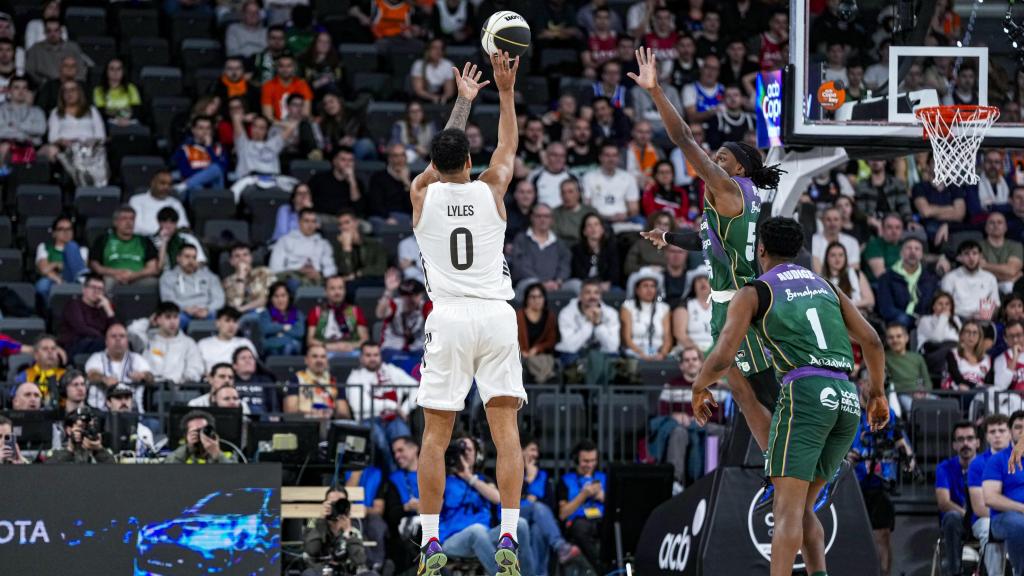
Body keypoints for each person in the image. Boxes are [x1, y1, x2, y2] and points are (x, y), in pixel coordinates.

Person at [690, 217, 889, 576]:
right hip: (845, 398)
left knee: (784, 513)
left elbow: (722, 355)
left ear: (760, 249)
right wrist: (877, 394)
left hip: (806, 395)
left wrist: (698, 385)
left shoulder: (755, 291)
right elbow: (873, 340)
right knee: (801, 512)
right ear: (798, 251)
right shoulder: (827, 285)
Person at [632, 48, 786, 478]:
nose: (714, 159)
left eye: (722, 155)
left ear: (741, 165)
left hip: (740, 303)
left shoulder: (728, 187)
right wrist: (668, 237)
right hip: (729, 301)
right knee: (741, 392)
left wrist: (657, 91)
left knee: (767, 392)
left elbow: (682, 138)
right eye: (714, 155)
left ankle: (815, 462)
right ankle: (778, 467)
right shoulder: (737, 200)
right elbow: (711, 242)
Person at [408, 55, 528, 574]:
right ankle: (508, 534)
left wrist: (462, 99)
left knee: (435, 437)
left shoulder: (422, 194)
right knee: (506, 434)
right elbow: (509, 147)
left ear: (434, 164)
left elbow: (443, 154)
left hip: (450, 316)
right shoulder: (491, 189)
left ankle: (430, 541)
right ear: (470, 160)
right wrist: (503, 91)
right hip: (497, 316)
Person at [439, 435, 534, 575]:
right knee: (476, 530)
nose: (464, 453)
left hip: (484, 538)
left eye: (468, 449)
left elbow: (498, 498)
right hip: (453, 540)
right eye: (460, 449)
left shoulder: (483, 481)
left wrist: (469, 477)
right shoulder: (443, 480)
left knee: (520, 524)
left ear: (477, 456)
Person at [346, 342, 417, 473]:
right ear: (361, 358)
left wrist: (405, 409)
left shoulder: (392, 370)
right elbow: (360, 406)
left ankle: (412, 478)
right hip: (369, 420)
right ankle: (393, 478)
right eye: (368, 355)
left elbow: (417, 388)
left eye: (376, 355)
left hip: (394, 418)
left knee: (403, 439)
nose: (372, 358)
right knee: (381, 441)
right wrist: (394, 406)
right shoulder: (355, 377)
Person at [521, 436, 582, 575]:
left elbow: (550, 505)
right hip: (514, 515)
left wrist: (532, 497)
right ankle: (560, 546)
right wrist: (528, 480)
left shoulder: (542, 475)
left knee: (538, 530)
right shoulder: (511, 470)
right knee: (537, 507)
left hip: (537, 519)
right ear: (521, 450)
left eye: (536, 451)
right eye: (532, 450)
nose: (535, 454)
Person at [968, 414, 1011, 576]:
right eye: (992, 431)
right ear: (986, 436)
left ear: (1010, 433)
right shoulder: (978, 464)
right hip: (984, 519)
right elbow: (979, 508)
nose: (997, 435)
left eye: (1001, 430)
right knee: (989, 527)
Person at [935, 421, 979, 576]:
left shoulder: (987, 465)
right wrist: (967, 515)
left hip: (982, 520)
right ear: (954, 445)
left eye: (970, 438)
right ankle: (953, 573)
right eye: (960, 439)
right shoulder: (944, 468)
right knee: (952, 517)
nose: (965, 443)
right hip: (957, 523)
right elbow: (943, 502)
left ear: (977, 442)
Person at [983, 410, 1024, 575]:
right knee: (1018, 524)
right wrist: (1021, 508)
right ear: (1010, 431)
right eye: (1018, 427)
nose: (1022, 432)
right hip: (1003, 519)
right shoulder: (998, 460)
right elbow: (990, 498)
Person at [126, 302, 205, 386]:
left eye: (175, 317)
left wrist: (182, 381)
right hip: (149, 388)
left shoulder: (188, 342)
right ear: (158, 319)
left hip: (178, 389)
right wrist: (149, 321)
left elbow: (196, 368)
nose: (172, 322)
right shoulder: (147, 339)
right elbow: (132, 331)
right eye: (168, 317)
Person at [557, 439, 606, 571]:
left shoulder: (604, 478)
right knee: (580, 528)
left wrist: (603, 497)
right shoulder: (566, 480)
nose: (590, 465)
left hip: (602, 520)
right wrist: (583, 495)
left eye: (593, 460)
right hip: (579, 522)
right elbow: (563, 514)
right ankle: (603, 569)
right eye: (585, 461)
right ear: (576, 459)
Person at [84, 322, 153, 412]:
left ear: (127, 341)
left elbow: (151, 378)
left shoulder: (137, 359)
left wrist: (143, 376)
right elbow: (91, 375)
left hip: (133, 413)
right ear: (106, 341)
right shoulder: (96, 358)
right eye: (113, 336)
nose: (118, 339)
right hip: (101, 413)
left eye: (122, 336)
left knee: (153, 424)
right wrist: (104, 379)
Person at [876, 234, 939, 330]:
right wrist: (912, 319)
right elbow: (886, 308)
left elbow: (934, 304)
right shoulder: (887, 277)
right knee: (902, 320)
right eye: (909, 248)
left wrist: (923, 318)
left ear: (922, 254)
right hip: (899, 320)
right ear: (901, 253)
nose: (913, 252)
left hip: (925, 320)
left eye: (917, 249)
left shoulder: (930, 278)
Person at [555, 278, 621, 364]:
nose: (592, 296)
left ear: (600, 296)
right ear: (580, 295)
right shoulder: (567, 313)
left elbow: (612, 347)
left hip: (600, 353)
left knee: (614, 358)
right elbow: (569, 347)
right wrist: (588, 323)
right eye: (588, 292)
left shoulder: (611, 313)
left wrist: (598, 323)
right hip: (576, 353)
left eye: (596, 293)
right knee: (569, 358)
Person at [159, 245, 225, 330]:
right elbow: (168, 300)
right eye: (187, 256)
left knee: (222, 320)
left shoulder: (210, 276)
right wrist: (185, 308)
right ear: (178, 258)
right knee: (173, 319)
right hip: (181, 312)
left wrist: (207, 309)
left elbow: (219, 299)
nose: (191, 261)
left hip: (207, 312)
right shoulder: (168, 277)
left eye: (194, 257)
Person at [510, 203, 572, 291]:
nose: (542, 219)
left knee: (576, 285)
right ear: (532, 218)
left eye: (546, 216)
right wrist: (541, 283)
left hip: (555, 285)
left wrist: (558, 281)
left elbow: (565, 265)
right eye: (538, 216)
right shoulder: (521, 239)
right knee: (530, 285)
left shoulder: (559, 243)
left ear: (552, 220)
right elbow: (520, 267)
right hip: (529, 285)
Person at [269, 208, 337, 288]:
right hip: (292, 278)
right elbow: (275, 268)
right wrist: (298, 271)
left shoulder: (323, 244)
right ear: (299, 222)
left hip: (317, 280)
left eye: (313, 221)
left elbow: (331, 269)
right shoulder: (285, 241)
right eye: (306, 221)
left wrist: (319, 274)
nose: (310, 225)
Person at [306, 275, 369, 358]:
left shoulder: (355, 311)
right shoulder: (317, 312)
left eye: (340, 288)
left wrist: (351, 346)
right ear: (326, 291)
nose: (337, 292)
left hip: (351, 351)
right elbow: (310, 341)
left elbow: (365, 339)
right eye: (332, 288)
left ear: (345, 291)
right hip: (324, 352)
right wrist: (330, 346)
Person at [376, 270, 431, 362]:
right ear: (401, 296)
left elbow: (437, 320)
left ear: (421, 295)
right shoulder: (394, 305)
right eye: (406, 295)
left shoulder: (425, 307)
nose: (410, 299)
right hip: (392, 349)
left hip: (418, 351)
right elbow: (380, 314)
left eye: (414, 295)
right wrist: (388, 291)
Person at [284, 343, 351, 418]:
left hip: (329, 425)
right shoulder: (296, 379)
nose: (319, 360)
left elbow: (344, 413)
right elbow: (290, 411)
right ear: (306, 360)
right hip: (304, 424)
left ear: (327, 360)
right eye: (314, 356)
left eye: (323, 357)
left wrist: (331, 414)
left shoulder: (335, 381)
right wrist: (312, 415)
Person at [941, 239, 1001, 322]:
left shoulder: (990, 278)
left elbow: (995, 304)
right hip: (957, 318)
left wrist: (983, 316)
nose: (971, 257)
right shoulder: (950, 278)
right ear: (959, 258)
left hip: (982, 319)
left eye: (974, 253)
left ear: (980, 256)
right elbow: (944, 305)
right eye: (966, 254)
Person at [581, 143, 640, 223]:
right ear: (600, 157)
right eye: (607, 155)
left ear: (618, 158)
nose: (611, 159)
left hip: (624, 219)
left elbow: (634, 208)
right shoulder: (589, 177)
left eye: (614, 155)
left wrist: (625, 215)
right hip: (598, 220)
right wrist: (607, 217)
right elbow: (586, 207)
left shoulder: (628, 178)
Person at [59, 273, 116, 356]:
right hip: (76, 345)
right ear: (84, 289)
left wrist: (108, 310)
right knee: (112, 343)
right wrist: (106, 338)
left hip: (98, 344)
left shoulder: (103, 309)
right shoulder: (74, 305)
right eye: (93, 287)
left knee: (122, 341)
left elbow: (115, 330)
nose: (96, 291)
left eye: (100, 289)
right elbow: (81, 328)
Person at [33, 214, 87, 301]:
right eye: (61, 229)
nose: (66, 232)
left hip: (73, 279)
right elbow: (44, 270)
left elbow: (80, 270)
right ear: (54, 233)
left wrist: (54, 266)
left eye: (69, 229)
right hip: (52, 279)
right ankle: (50, 310)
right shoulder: (44, 247)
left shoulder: (81, 249)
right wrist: (57, 266)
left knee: (71, 246)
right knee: (42, 285)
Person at [0, 75, 46, 174]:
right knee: (5, 147)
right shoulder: (1, 110)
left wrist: (15, 126)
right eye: (16, 87)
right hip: (7, 145)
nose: (20, 91)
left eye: (24, 88)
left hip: (31, 147)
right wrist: (26, 133)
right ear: (9, 91)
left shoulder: (37, 111)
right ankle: (3, 182)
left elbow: (41, 129)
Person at [621, 270, 672, 360]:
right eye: (645, 286)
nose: (649, 290)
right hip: (635, 353)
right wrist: (641, 354)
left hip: (658, 353)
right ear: (637, 290)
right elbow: (626, 338)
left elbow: (667, 338)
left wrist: (662, 354)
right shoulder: (627, 306)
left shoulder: (664, 308)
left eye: (652, 286)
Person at [25, 18, 89, 87]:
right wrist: (43, 82)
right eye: (49, 31)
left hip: (71, 86)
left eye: (56, 30)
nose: (52, 34)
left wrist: (72, 84)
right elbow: (29, 70)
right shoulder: (36, 49)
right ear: (44, 32)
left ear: (61, 31)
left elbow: (81, 70)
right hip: (45, 87)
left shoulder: (72, 47)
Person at [333, 208, 387, 289]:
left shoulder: (374, 243)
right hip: (351, 285)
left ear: (356, 223)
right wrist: (346, 248)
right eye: (340, 224)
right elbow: (346, 272)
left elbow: (381, 268)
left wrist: (359, 273)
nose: (344, 227)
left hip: (373, 281)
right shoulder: (337, 247)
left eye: (347, 222)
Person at [517, 283, 559, 384]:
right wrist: (522, 351)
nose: (537, 300)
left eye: (540, 296)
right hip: (522, 354)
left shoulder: (550, 316)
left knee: (544, 360)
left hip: (541, 355)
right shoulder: (518, 316)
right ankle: (546, 375)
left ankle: (541, 377)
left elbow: (551, 340)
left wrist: (536, 349)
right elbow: (513, 338)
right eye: (533, 297)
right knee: (530, 361)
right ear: (527, 299)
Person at [367, 144, 414, 230]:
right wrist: (387, 218)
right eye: (395, 156)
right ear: (389, 158)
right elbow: (375, 204)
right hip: (384, 217)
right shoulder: (378, 177)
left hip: (407, 218)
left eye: (402, 155)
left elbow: (417, 206)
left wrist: (406, 183)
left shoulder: (413, 178)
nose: (399, 159)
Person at [196, 307, 258, 373]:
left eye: (235, 321)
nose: (231, 325)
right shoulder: (203, 344)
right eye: (227, 321)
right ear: (217, 323)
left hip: (239, 382)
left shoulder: (245, 343)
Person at [221, 244, 276, 317]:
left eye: (245, 255)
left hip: (264, 314)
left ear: (251, 258)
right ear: (231, 261)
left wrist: (243, 308)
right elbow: (235, 305)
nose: (242, 258)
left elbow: (268, 298)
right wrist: (241, 277)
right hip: (239, 317)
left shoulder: (264, 272)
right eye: (237, 256)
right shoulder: (227, 282)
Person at [43, 408, 114, 464]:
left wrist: (99, 450)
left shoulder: (103, 451)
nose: (86, 431)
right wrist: (70, 449)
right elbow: (48, 470)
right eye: (81, 426)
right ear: (69, 430)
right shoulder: (56, 451)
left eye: (89, 427)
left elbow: (115, 470)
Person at [130, 170, 189, 237]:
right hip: (144, 240)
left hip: (170, 241)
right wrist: (161, 234)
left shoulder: (175, 203)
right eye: (162, 183)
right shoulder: (137, 200)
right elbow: (136, 227)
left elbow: (183, 227)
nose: (166, 187)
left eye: (169, 184)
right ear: (152, 183)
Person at [165, 410, 238, 464]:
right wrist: (188, 449)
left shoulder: (229, 454)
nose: (201, 434)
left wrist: (217, 454)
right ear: (186, 435)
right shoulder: (178, 455)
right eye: (196, 431)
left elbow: (235, 475)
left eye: (204, 430)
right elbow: (169, 472)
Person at [308, 146, 362, 216]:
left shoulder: (357, 183)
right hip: (323, 217)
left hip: (347, 220)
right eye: (343, 160)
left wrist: (352, 182)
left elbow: (358, 208)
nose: (348, 164)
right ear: (334, 161)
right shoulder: (319, 179)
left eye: (351, 160)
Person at [823, 242, 875, 314]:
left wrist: (848, 305)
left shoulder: (856, 274)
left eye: (841, 255)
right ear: (827, 258)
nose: (837, 259)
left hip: (858, 315)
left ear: (846, 257)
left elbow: (870, 300)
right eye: (833, 255)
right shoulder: (821, 280)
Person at [14, 334, 65, 405]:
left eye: (53, 348)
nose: (50, 352)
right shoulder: (24, 375)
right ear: (36, 355)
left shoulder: (65, 375)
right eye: (45, 349)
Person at [257, 282, 305, 356]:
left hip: (292, 348)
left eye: (283, 296)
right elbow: (265, 329)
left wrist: (277, 332)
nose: (280, 300)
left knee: (290, 346)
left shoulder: (297, 313)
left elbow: (299, 332)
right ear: (271, 298)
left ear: (289, 297)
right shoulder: (266, 314)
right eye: (276, 296)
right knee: (274, 350)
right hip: (271, 349)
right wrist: (284, 327)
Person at [152, 207, 206, 271]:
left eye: (172, 222)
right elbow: (159, 268)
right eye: (165, 221)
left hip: (189, 273)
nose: (168, 226)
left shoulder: (188, 239)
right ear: (159, 222)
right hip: (165, 277)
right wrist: (164, 242)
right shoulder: (151, 241)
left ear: (176, 223)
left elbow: (201, 262)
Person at [260, 53, 312, 121]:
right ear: (276, 68)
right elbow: (268, 117)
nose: (285, 69)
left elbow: (306, 113)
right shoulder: (268, 86)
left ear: (294, 68)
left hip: (299, 124)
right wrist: (285, 126)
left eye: (289, 66)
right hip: (277, 126)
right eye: (281, 66)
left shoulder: (302, 85)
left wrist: (293, 126)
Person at [982, 211, 1024, 294]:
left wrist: (985, 265)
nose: (996, 225)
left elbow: (1011, 270)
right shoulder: (977, 246)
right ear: (986, 228)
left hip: (1013, 289)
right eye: (992, 223)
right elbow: (978, 272)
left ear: (1005, 227)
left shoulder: (1016, 246)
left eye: (999, 222)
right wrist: (1011, 275)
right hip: (985, 287)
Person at [811, 207, 861, 274]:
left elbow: (854, 269)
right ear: (822, 221)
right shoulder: (813, 240)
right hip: (822, 281)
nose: (832, 223)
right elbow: (817, 270)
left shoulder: (852, 242)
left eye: (836, 219)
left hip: (845, 281)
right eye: (828, 219)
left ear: (841, 222)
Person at [672, 270, 713, 353]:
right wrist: (698, 353)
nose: (702, 282)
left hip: (715, 353)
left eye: (706, 279)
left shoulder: (720, 306)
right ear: (693, 285)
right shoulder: (684, 306)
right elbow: (680, 334)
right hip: (690, 353)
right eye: (698, 280)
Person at [232, 347, 280, 415]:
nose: (248, 361)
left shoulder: (266, 380)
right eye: (243, 358)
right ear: (235, 365)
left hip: (261, 421)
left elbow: (274, 407)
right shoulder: (230, 381)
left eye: (251, 358)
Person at [92, 58, 140, 125]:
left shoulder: (131, 88)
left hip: (129, 121)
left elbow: (136, 109)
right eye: (112, 69)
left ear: (123, 71)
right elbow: (101, 111)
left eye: (119, 69)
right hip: (109, 122)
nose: (115, 72)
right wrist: (122, 115)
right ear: (106, 71)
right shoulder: (99, 90)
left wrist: (114, 112)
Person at [410, 38, 455, 104]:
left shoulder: (448, 64)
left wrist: (443, 98)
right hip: (422, 100)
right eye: (435, 48)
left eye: (441, 48)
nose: (438, 51)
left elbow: (449, 91)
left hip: (443, 100)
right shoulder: (419, 64)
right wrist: (433, 97)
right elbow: (419, 90)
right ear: (428, 50)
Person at [553, 179, 598, 245]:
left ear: (578, 193)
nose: (566, 196)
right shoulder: (555, 213)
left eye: (570, 192)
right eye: (563, 192)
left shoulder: (591, 211)